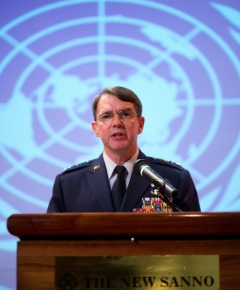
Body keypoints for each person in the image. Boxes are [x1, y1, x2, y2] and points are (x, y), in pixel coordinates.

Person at [47, 86, 201, 213]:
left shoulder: (174, 179)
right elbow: (49, 244)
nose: (117, 123)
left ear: (140, 124)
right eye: (106, 116)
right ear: (96, 128)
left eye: (126, 114)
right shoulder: (68, 184)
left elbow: (198, 241)